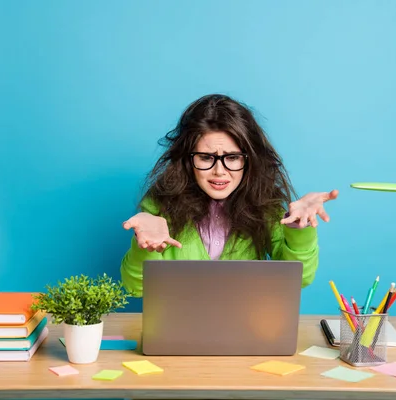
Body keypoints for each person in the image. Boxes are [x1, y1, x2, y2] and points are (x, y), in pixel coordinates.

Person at [120, 94, 338, 297]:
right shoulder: (160, 207)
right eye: (206, 157)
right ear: (187, 160)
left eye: (232, 157)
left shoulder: (265, 206)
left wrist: (299, 229)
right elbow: (137, 288)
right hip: (178, 332)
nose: (220, 171)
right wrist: (144, 247)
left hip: (249, 330)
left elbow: (299, 279)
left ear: (248, 159)